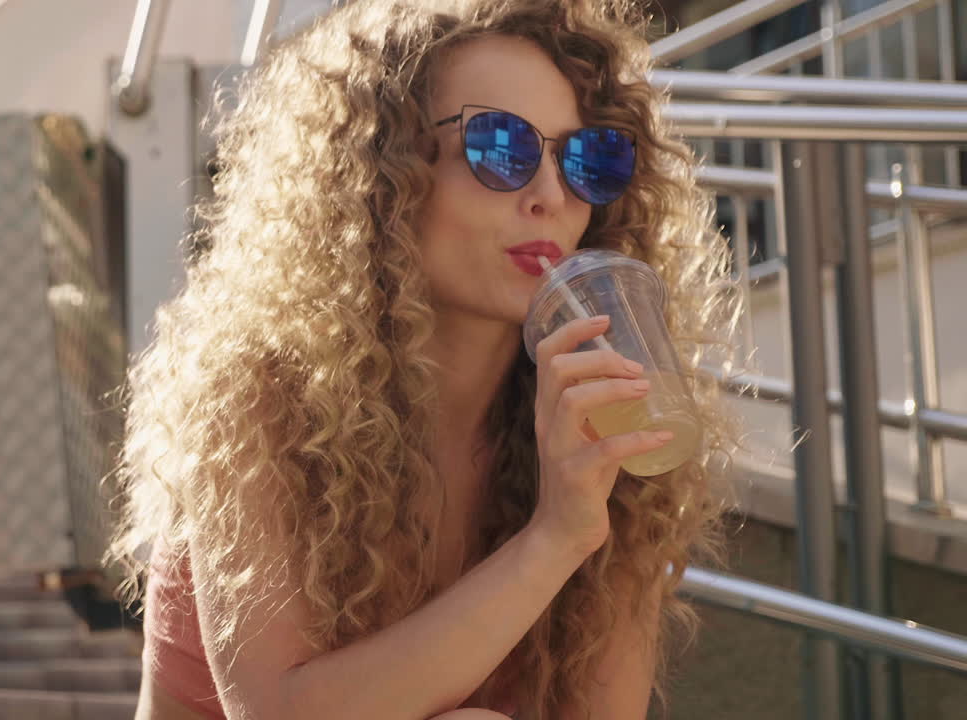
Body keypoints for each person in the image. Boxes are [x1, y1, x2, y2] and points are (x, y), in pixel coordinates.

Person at [107, 1, 742, 719]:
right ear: (381, 174)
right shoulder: (261, 397)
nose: (551, 195)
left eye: (588, 159)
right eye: (502, 147)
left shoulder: (594, 418)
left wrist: (585, 512)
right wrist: (555, 538)